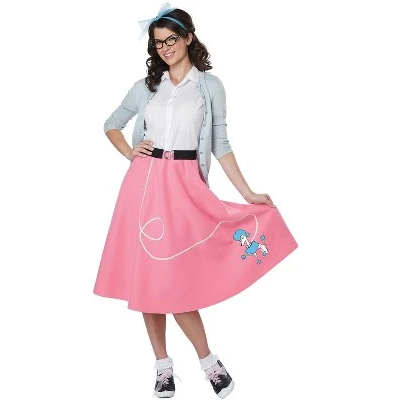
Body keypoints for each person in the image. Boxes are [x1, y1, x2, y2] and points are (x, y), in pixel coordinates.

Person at [93, 3, 298, 398]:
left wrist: (248, 193)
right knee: (149, 279)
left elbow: (220, 144)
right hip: (144, 185)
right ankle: (163, 366)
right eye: (158, 43)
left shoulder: (210, 86)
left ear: (188, 38)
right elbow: (110, 124)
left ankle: (207, 361)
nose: (165, 47)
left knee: (175, 278)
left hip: (186, 186)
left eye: (171, 39)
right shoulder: (146, 87)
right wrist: (131, 152)